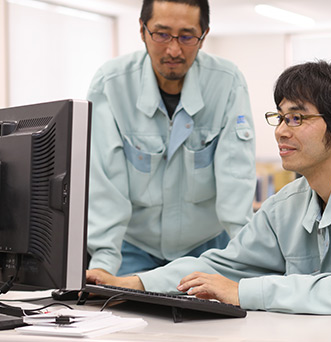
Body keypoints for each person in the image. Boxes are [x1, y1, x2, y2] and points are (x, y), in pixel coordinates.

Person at [87, 59, 331, 314]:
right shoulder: (290, 202)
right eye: (280, 117)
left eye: (298, 118)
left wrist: (244, 292)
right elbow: (222, 266)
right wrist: (133, 283)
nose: (281, 131)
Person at [86, 0, 256, 278]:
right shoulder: (111, 84)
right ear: (142, 30)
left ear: (203, 37)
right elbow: (104, 181)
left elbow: (236, 175)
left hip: (206, 249)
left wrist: (247, 259)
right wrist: (103, 262)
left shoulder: (227, 82)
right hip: (131, 249)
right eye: (161, 34)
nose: (174, 50)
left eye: (187, 36)